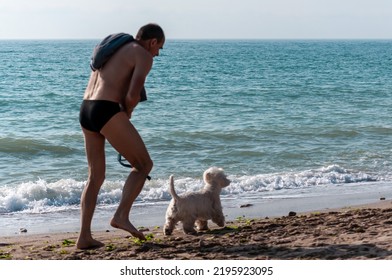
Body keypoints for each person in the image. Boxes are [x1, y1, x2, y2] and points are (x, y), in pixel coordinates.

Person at [77, 23, 165, 249]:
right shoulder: (143, 55)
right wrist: (127, 113)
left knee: (95, 177)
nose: (157, 53)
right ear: (152, 42)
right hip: (106, 109)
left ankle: (84, 237)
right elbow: (133, 93)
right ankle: (121, 216)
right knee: (144, 164)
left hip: (86, 109)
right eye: (159, 48)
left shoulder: (115, 48)